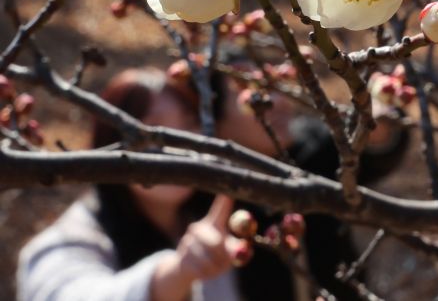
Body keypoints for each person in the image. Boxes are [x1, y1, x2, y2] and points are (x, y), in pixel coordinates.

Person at [18, 64, 409, 301]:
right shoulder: (75, 238)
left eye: (186, 130)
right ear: (108, 148)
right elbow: (64, 291)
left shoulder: (222, 207)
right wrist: (175, 274)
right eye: (151, 136)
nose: (176, 152)